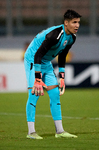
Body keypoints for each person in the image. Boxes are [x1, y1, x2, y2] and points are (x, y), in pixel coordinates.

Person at [24, 9, 81, 139]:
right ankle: (31, 132)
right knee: (34, 94)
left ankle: (60, 131)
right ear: (66, 23)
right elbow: (37, 54)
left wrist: (62, 77)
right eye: (74, 22)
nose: (77, 25)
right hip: (33, 59)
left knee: (55, 94)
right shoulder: (55, 35)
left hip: (45, 62)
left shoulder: (72, 37)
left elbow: (63, 55)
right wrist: (38, 79)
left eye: (78, 22)